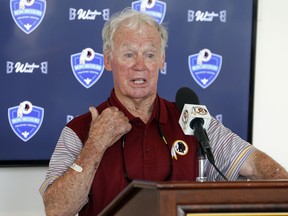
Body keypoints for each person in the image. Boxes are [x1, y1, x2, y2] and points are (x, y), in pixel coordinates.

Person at [40, 8, 288, 216]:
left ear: (162, 61)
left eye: (150, 54)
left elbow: (257, 166)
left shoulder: (194, 121)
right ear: (107, 60)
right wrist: (95, 144)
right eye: (129, 54)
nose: (140, 65)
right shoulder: (80, 130)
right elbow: (56, 210)